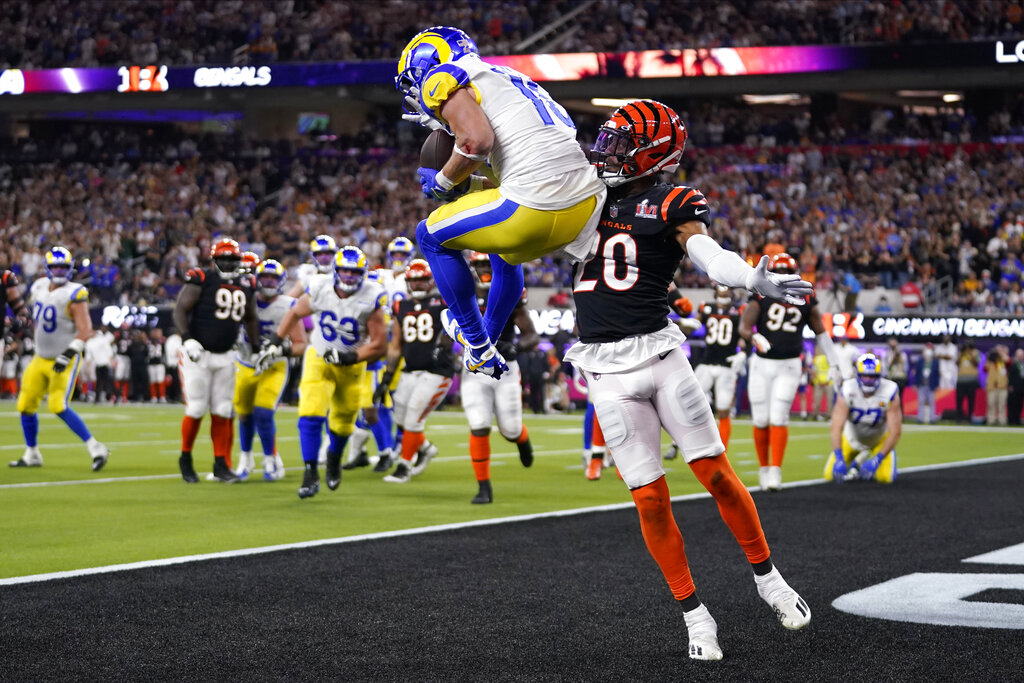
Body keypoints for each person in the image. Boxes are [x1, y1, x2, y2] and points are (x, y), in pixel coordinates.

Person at [566, 100, 812, 661]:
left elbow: (708, 254)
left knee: (716, 475)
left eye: (618, 142)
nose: (605, 152)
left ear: (652, 153)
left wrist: (750, 277)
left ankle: (769, 579)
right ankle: (696, 616)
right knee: (650, 501)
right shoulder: (579, 197)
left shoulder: (670, 200)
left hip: (660, 357)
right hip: (605, 369)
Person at [397, 26, 606, 378]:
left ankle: (477, 343)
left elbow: (476, 142)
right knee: (501, 251)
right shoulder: (511, 80)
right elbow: (511, 165)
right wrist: (468, 182)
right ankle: (487, 341)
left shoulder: (443, 77)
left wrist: (443, 182)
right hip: (584, 206)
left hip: (533, 207)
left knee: (429, 235)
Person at [255, 246, 388, 499]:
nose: (349, 277)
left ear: (363, 273)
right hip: (319, 356)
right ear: (336, 271)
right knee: (311, 412)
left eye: (354, 272)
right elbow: (295, 311)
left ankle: (334, 459)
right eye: (345, 272)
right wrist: (276, 339)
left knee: (343, 422)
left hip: (351, 365)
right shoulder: (320, 287)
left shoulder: (371, 296)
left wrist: (350, 356)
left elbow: (379, 345)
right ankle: (310, 472)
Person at [740, 253, 853, 491]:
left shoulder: (805, 294)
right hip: (761, 363)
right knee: (761, 418)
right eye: (778, 272)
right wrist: (754, 335)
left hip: (789, 364)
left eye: (785, 272)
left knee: (779, 416)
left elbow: (821, 331)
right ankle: (763, 469)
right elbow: (744, 326)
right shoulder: (760, 292)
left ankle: (775, 471)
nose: (781, 277)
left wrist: (835, 363)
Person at [9, 246, 110, 471]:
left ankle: (96, 448)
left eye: (63, 266)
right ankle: (32, 453)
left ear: (70, 268)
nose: (59, 270)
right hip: (39, 357)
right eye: (55, 266)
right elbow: (36, 320)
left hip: (63, 359)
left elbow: (86, 330)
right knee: (25, 405)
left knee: (57, 405)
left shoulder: (75, 293)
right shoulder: (39, 287)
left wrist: (69, 353)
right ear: (47, 267)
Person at [173, 238, 260, 484]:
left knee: (223, 410)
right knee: (197, 408)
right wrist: (187, 338)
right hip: (197, 355)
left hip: (225, 355)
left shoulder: (247, 283)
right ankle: (186, 458)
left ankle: (221, 463)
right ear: (213, 260)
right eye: (223, 259)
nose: (228, 264)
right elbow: (180, 309)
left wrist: (254, 348)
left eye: (232, 260)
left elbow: (251, 317)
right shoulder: (202, 278)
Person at [453, 251, 538, 503]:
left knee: (509, 430)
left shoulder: (508, 293)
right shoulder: (463, 292)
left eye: (486, 263)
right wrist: (441, 347)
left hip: (505, 370)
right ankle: (483, 487)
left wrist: (518, 347)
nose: (483, 269)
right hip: (474, 370)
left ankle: (521, 439)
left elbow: (531, 334)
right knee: (478, 425)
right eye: (479, 264)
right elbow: (448, 323)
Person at [375, 259, 450, 484]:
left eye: (421, 280)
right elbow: (396, 344)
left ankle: (404, 466)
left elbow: (456, 328)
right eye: (413, 281)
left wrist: (446, 344)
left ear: (430, 281)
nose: (417, 285)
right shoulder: (401, 306)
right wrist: (387, 377)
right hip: (410, 370)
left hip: (436, 370)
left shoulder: (443, 302)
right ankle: (425, 448)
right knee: (400, 417)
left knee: (413, 417)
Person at [232, 259, 307, 481]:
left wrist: (278, 351)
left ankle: (270, 459)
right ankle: (245, 458)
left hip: (273, 367)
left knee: (263, 413)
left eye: (273, 278)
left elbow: (301, 344)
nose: (268, 281)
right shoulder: (246, 299)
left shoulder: (288, 305)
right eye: (264, 277)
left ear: (281, 281)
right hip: (245, 363)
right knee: (244, 416)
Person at [825, 353, 902, 483]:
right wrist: (839, 457)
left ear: (879, 376)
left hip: (879, 440)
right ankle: (860, 459)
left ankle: (865, 459)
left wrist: (878, 459)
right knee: (829, 475)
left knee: (886, 478)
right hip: (851, 439)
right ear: (858, 375)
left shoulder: (890, 390)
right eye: (865, 375)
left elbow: (895, 432)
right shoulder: (848, 389)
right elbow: (836, 428)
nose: (868, 380)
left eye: (872, 376)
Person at [693, 284, 746, 449]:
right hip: (706, 362)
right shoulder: (706, 307)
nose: (724, 292)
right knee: (692, 403)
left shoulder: (740, 310)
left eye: (727, 289)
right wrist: (686, 322)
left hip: (726, 364)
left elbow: (745, 335)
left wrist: (743, 351)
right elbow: (695, 323)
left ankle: (722, 450)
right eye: (721, 289)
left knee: (723, 410)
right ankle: (682, 443)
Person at [912, 342, 940, 424]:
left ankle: (932, 419)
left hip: (931, 384)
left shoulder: (935, 362)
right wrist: (915, 384)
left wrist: (937, 385)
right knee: (921, 402)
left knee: (931, 402)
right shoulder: (920, 361)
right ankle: (920, 418)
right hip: (922, 384)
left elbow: (937, 374)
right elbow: (917, 374)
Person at [954, 341, 981, 423]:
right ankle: (959, 417)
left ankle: (970, 417)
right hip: (961, 380)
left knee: (971, 400)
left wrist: (971, 355)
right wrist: (962, 354)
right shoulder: (961, 353)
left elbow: (977, 363)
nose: (967, 348)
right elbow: (957, 363)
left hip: (971, 380)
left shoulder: (976, 352)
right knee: (959, 400)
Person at [984, 345, 1010, 426]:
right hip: (991, 387)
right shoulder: (991, 361)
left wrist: (1002, 354)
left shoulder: (1003, 362)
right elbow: (985, 368)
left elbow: (1009, 361)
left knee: (1001, 405)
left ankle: (1001, 421)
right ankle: (991, 420)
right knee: (991, 404)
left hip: (1002, 387)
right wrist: (990, 357)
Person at [882, 337, 908, 402]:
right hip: (890, 378)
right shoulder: (886, 354)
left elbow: (905, 367)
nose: (893, 345)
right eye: (891, 343)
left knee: (899, 397)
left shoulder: (902, 355)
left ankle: (900, 411)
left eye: (894, 343)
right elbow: (885, 367)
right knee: (890, 397)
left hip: (900, 378)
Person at [1008, 348, 1024, 426]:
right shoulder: (1013, 364)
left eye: (1022, 355)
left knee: (1019, 405)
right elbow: (1010, 376)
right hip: (1014, 387)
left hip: (1021, 388)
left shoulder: (1023, 364)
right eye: (1020, 355)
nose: (1021, 357)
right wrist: (1010, 385)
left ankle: (1017, 420)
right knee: (1013, 404)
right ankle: (1012, 420)